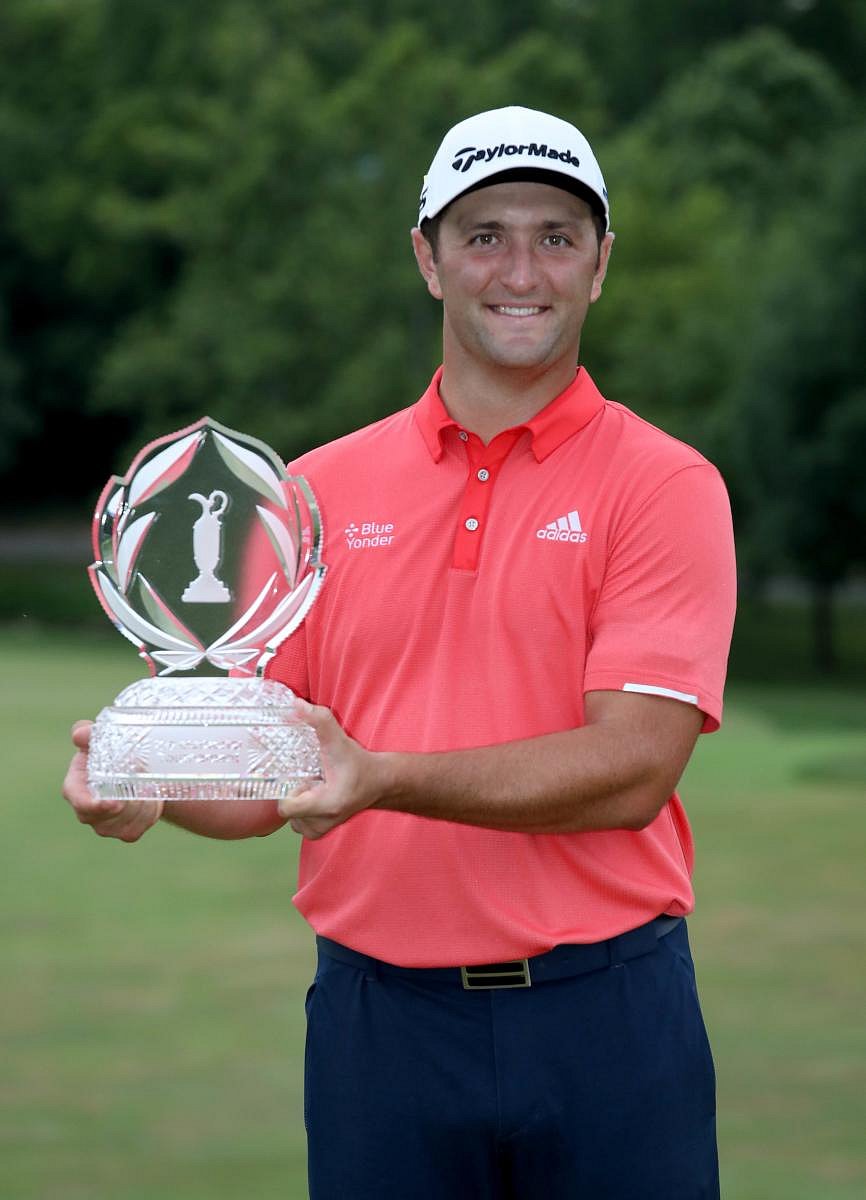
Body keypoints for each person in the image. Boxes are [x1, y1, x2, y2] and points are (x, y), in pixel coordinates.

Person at [64, 106, 736, 1199]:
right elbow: (275, 769)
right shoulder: (312, 494)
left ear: (600, 265)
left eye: (555, 237)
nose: (519, 269)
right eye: (482, 235)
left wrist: (382, 778)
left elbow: (634, 766)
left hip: (607, 1023)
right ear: (426, 258)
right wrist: (153, 784)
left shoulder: (662, 486)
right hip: (380, 1030)